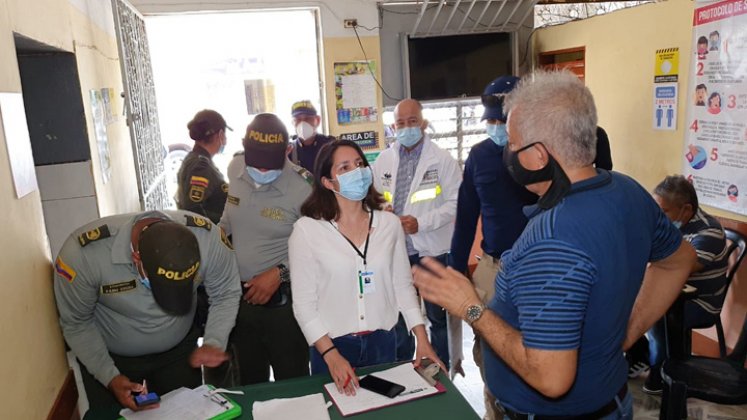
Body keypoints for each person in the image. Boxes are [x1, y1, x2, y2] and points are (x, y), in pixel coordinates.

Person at [412, 70, 696, 417]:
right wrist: (627, 332)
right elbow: (680, 258)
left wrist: (471, 308)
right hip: (611, 401)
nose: (507, 152)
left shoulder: (550, 239)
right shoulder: (628, 191)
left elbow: (551, 378)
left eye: (513, 144)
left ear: (538, 155)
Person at [289, 140, 444, 394]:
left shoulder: (389, 224)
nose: (357, 171)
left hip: (382, 342)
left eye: (360, 164)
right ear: (328, 182)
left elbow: (402, 287)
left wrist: (422, 338)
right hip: (332, 345)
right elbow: (304, 305)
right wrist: (330, 355)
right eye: (345, 167)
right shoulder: (307, 231)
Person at [53, 211, 241, 410]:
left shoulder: (208, 240)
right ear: (137, 259)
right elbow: (77, 322)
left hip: (178, 353)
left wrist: (214, 340)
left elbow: (226, 292)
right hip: (111, 358)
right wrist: (109, 377)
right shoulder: (84, 255)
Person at [449, 75, 537, 419]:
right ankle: (495, 411)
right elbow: (466, 216)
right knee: (487, 343)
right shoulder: (479, 156)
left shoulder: (543, 154)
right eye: (492, 120)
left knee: (533, 346)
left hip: (537, 270)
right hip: (492, 268)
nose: (497, 127)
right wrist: (457, 272)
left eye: (504, 119)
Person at [220, 113, 312, 385]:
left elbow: (316, 248)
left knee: (293, 382)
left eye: (269, 165)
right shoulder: (236, 168)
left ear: (287, 151)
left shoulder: (304, 188)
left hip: (284, 306)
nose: (261, 172)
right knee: (249, 381)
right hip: (240, 299)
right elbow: (228, 220)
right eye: (255, 163)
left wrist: (279, 274)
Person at [371, 98, 462, 370]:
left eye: (412, 122)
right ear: (393, 126)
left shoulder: (443, 160)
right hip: (395, 250)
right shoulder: (384, 159)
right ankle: (405, 369)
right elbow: (373, 197)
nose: (407, 127)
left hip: (430, 250)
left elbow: (457, 203)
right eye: (400, 123)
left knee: (437, 317)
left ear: (423, 123)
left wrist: (421, 223)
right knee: (400, 316)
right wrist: (382, 208)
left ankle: (441, 368)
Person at [642, 175, 729, 394]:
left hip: (699, 303)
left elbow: (680, 268)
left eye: (663, 211)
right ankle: (640, 356)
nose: (657, 216)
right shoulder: (665, 224)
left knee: (653, 313)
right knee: (622, 303)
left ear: (686, 209)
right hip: (671, 294)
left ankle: (662, 375)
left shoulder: (708, 231)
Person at [177, 109, 231, 223]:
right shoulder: (201, 166)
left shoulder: (195, 158)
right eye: (225, 135)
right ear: (220, 135)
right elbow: (194, 210)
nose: (225, 140)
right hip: (211, 237)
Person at [289, 100, 336, 173]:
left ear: (317, 120)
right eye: (298, 119)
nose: (302, 124)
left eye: (307, 118)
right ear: (293, 122)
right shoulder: (289, 150)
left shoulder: (331, 145)